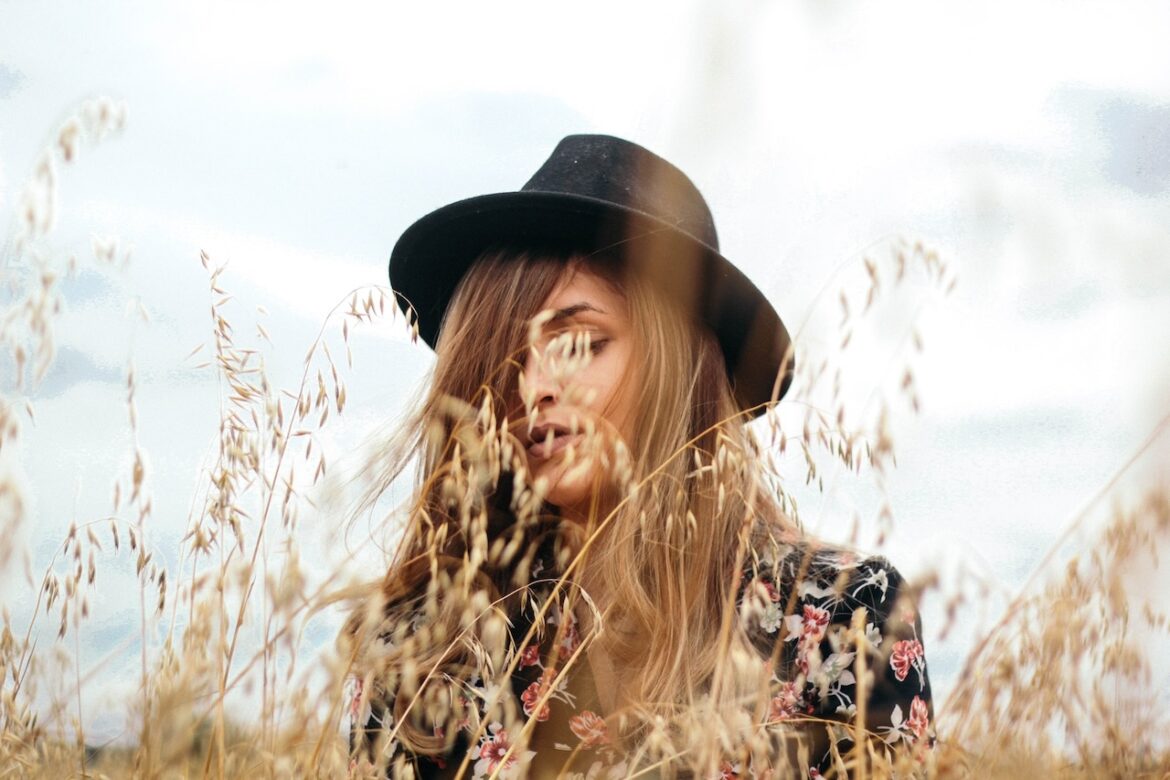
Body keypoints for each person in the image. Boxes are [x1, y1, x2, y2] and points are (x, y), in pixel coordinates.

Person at [342, 135, 933, 779]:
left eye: (581, 343)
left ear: (677, 367)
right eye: (505, 357)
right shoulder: (421, 651)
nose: (532, 387)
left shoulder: (844, 614)